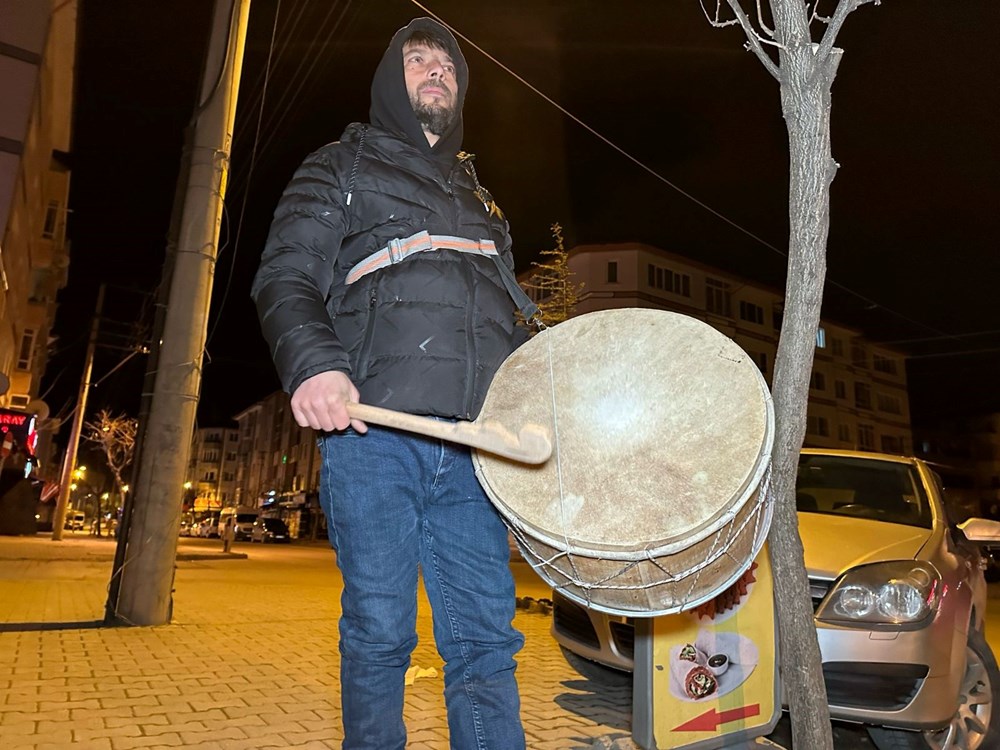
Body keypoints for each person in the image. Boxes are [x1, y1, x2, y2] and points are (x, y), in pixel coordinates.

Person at [251, 18, 533, 750]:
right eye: (417, 59)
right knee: (380, 630)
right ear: (389, 80)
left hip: (475, 450)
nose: (435, 69)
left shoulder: (482, 200)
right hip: (375, 434)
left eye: (446, 63)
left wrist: (541, 403)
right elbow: (285, 276)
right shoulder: (339, 166)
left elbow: (508, 318)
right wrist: (315, 363)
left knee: (485, 642)